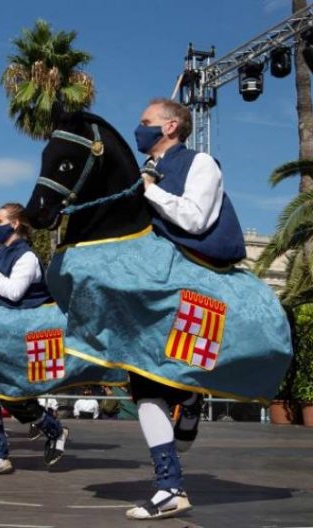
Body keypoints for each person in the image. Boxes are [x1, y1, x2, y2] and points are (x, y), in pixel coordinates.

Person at [125, 97, 246, 519]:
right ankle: (170, 486)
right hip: (154, 289)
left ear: (172, 125)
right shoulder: (138, 175)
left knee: (171, 376)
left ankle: (190, 397)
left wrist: (151, 192)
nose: (138, 128)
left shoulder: (201, 165)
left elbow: (195, 220)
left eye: (146, 122)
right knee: (142, 384)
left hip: (198, 287)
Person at [0, 203, 68, 477]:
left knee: (13, 398)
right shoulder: (1, 253)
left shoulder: (27, 258)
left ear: (14, 224)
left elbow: (13, 292)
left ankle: (54, 429)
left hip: (24, 337)